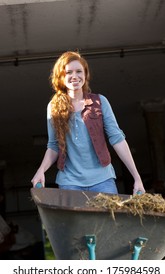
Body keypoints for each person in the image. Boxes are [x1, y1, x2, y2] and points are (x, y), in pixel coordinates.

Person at [31, 51, 145, 195]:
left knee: (108, 218)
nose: (74, 76)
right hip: (70, 182)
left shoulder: (100, 101)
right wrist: (41, 171)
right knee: (76, 218)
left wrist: (137, 177)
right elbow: (53, 146)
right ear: (61, 77)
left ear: (85, 75)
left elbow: (117, 139)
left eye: (79, 71)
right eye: (69, 72)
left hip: (103, 180)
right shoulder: (53, 107)